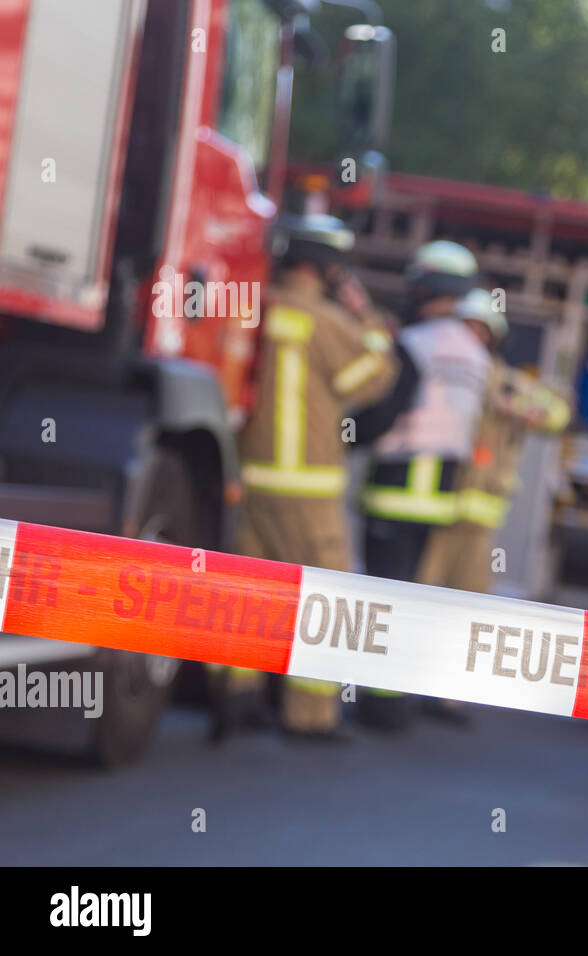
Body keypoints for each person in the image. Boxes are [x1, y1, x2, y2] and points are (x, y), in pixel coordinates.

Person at [214, 213, 402, 741]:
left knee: (248, 590)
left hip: (249, 477)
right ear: (329, 269)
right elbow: (368, 379)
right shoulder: (325, 320)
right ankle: (310, 715)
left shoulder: (255, 304)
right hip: (310, 488)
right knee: (323, 599)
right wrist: (375, 331)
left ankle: (237, 695)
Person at [358, 240, 485, 728]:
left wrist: (343, 434)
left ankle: (381, 705)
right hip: (438, 497)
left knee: (385, 601)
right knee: (411, 599)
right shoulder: (474, 350)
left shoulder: (417, 343)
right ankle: (395, 698)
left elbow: (386, 413)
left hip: (398, 485)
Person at [416, 288, 571, 595]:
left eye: (479, 329)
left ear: (493, 336)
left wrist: (523, 410)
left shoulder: (511, 383)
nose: (471, 337)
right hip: (433, 510)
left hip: (479, 519)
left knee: (471, 601)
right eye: (465, 327)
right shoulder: (438, 372)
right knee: (417, 592)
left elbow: (557, 414)